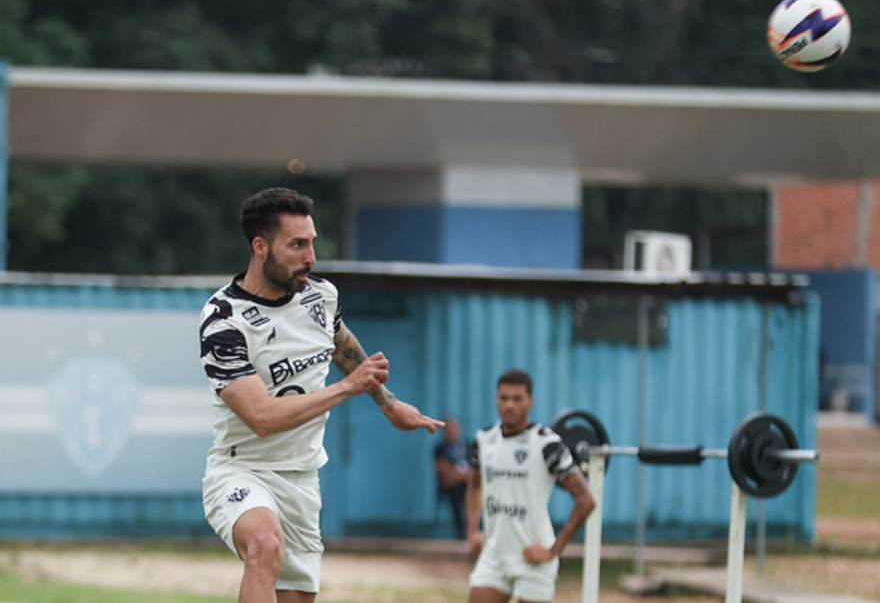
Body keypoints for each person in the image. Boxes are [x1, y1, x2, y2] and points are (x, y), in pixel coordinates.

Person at [198, 186, 443, 603]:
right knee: (265, 546)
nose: (310, 257)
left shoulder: (322, 297)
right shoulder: (224, 320)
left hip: (303, 479)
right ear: (260, 246)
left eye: (312, 242)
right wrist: (348, 387)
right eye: (297, 245)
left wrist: (387, 403)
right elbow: (261, 417)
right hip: (243, 470)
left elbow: (341, 343)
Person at [466, 369, 595, 603]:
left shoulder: (547, 444)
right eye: (504, 398)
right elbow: (475, 485)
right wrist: (473, 530)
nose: (510, 405)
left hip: (533, 557)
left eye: (517, 399)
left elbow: (586, 500)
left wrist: (553, 550)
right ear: (496, 399)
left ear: (530, 401)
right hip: (494, 556)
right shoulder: (484, 440)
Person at [434, 417, 471, 539]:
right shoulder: (440, 449)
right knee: (455, 491)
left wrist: (461, 476)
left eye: (453, 428)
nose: (451, 432)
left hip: (466, 484)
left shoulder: (468, 446)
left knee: (474, 491)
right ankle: (460, 531)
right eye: (448, 429)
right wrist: (461, 476)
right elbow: (443, 469)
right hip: (449, 487)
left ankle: (475, 528)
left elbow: (474, 469)